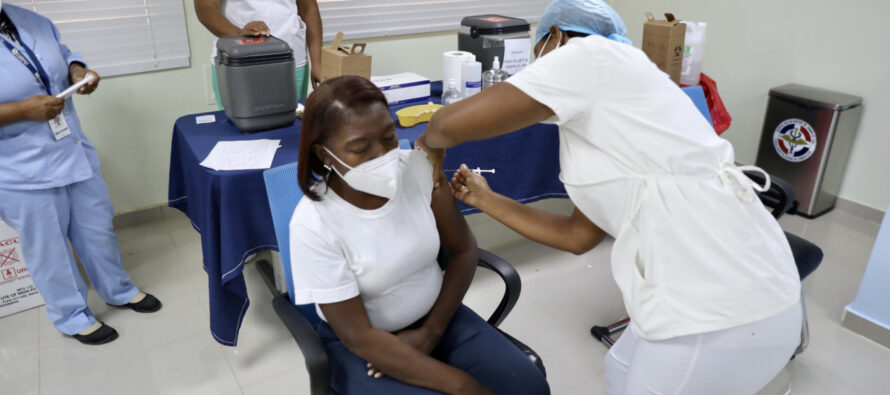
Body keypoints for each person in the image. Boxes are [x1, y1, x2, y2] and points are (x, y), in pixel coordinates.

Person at [415, 0, 802, 393]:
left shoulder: (591, 54)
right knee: (619, 367)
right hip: (750, 284)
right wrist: (486, 200)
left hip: (717, 308)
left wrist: (428, 146)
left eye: (537, 55)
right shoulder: (613, 109)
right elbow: (578, 237)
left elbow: (448, 123)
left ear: (556, 36)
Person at [288, 76, 550, 395]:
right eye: (360, 148)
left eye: (389, 138)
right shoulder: (314, 223)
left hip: (441, 317)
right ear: (325, 154)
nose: (383, 156)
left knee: (529, 387)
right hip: (365, 346)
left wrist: (431, 332)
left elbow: (464, 251)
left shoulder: (418, 170)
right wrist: (464, 386)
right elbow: (358, 336)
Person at [0, 3, 161, 345]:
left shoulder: (28, 18)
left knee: (97, 228)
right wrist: (20, 111)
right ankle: (71, 315)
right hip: (20, 169)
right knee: (49, 248)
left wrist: (77, 71)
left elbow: (64, 54)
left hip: (71, 149)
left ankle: (118, 290)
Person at [195, 0, 323, 106]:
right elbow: (205, 7)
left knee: (290, 126)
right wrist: (240, 36)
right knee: (240, 126)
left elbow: (308, 9)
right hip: (237, 62)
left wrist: (317, 62)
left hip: (291, 57)